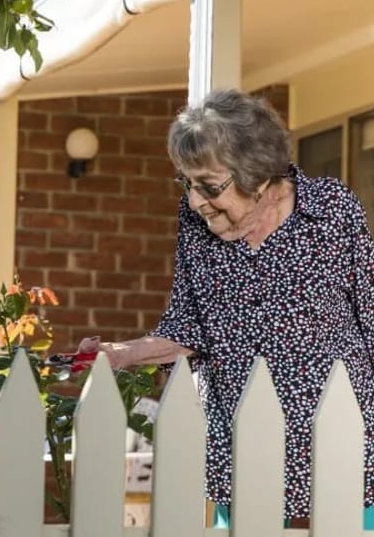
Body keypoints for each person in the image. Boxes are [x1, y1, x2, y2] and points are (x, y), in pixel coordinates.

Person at [79, 89, 374, 529]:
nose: (197, 201)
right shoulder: (196, 224)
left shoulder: (330, 210)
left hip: (341, 442)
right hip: (240, 445)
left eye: (210, 186)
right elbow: (187, 325)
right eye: (187, 183)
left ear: (259, 177)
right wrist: (122, 354)